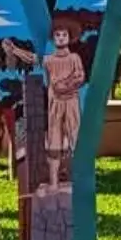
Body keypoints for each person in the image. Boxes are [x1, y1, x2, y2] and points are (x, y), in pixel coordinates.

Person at [42, 18, 86, 192]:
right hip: (55, 104)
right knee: (54, 142)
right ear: (53, 38)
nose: (60, 38)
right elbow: (33, 60)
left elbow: (80, 77)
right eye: (57, 35)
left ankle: (79, 181)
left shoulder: (74, 58)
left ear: (70, 37)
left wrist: (65, 84)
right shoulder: (48, 60)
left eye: (64, 35)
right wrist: (14, 50)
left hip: (71, 102)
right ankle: (54, 182)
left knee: (76, 138)